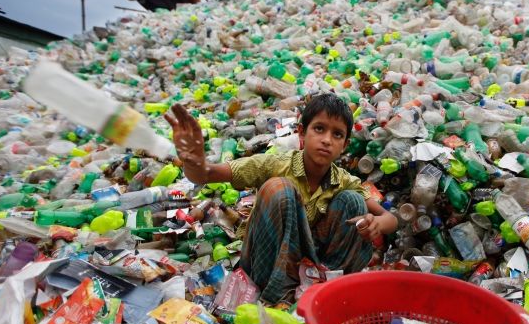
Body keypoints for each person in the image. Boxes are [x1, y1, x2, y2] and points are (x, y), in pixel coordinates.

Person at [165, 93, 398, 303]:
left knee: (353, 202)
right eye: (319, 129)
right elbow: (206, 174)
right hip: (267, 260)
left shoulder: (342, 179)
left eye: (337, 134)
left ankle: (326, 287)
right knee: (279, 189)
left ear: (345, 145)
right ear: (301, 133)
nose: (327, 140)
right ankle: (274, 293)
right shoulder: (276, 164)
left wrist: (376, 224)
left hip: (309, 265)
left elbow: (390, 219)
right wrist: (193, 159)